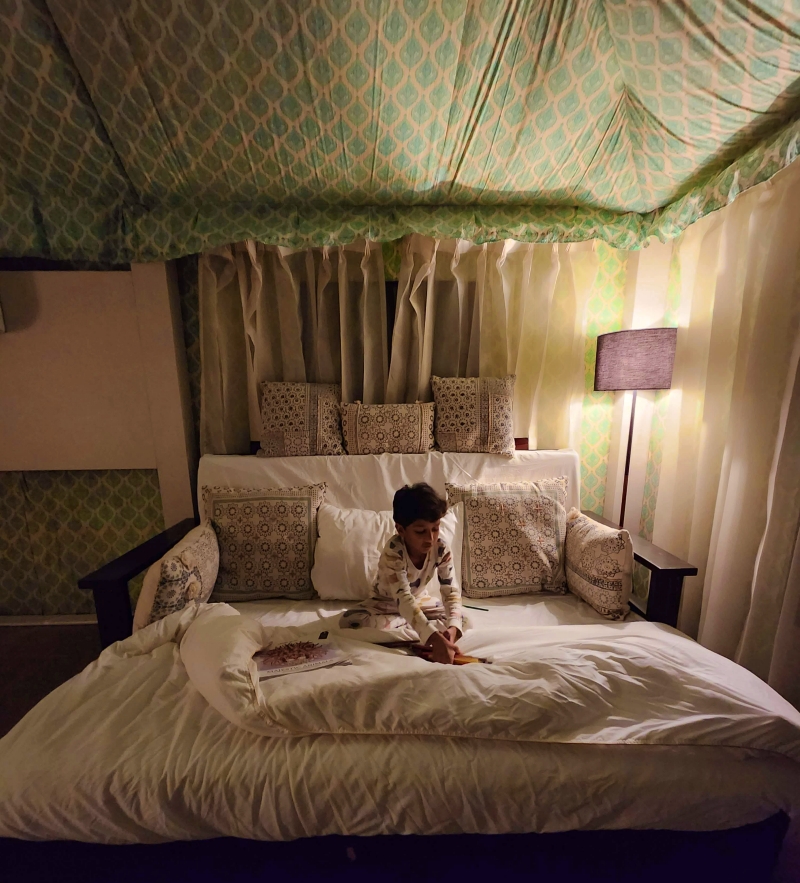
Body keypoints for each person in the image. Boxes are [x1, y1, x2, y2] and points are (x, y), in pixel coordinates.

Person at [339, 483, 465, 664]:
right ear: (401, 530)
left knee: (461, 619)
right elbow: (403, 598)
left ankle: (411, 627)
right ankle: (410, 624)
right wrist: (434, 638)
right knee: (350, 621)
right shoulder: (394, 552)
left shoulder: (441, 549)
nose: (430, 538)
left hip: (419, 601)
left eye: (435, 528)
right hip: (385, 603)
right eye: (420, 531)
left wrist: (452, 630)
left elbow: (450, 591)